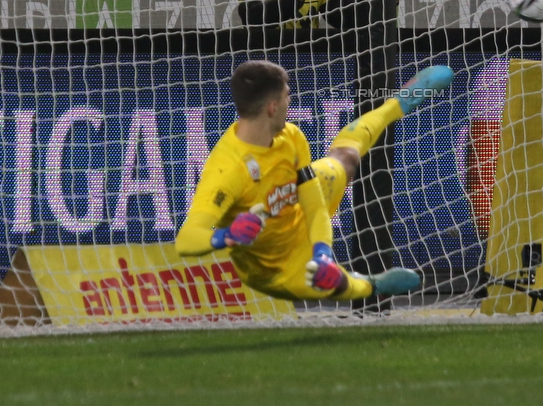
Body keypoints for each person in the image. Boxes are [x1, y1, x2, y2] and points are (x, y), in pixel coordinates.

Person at [175, 61, 455, 303]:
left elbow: (315, 206)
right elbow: (186, 240)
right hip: (276, 268)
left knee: (346, 158)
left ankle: (399, 102)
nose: (290, 103)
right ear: (272, 108)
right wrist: (226, 235)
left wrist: (322, 251)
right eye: (288, 97)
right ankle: (372, 284)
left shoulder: (291, 138)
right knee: (334, 285)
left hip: (296, 206)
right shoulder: (227, 170)